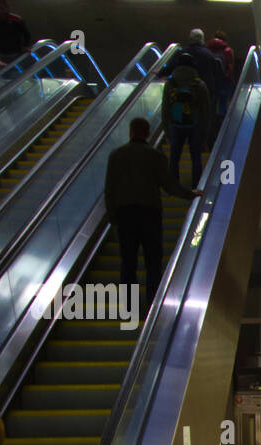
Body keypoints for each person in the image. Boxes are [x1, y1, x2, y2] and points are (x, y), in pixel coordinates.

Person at [104, 117, 203, 304]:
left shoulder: (116, 156)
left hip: (125, 215)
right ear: (148, 133)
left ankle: (128, 306)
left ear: (131, 132)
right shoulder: (155, 156)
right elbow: (169, 185)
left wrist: (113, 217)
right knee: (153, 262)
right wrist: (191, 194)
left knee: (128, 261)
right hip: (150, 214)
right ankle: (153, 305)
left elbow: (109, 189)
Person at [160, 54, 211, 188]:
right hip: (195, 125)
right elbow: (206, 111)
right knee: (195, 156)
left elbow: (165, 108)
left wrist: (167, 129)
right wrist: (204, 134)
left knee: (174, 157)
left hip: (176, 124)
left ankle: (174, 184)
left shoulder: (170, 84)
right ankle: (196, 185)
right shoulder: (199, 84)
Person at [160, 29, 222, 114]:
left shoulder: (183, 53)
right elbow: (216, 74)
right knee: (203, 114)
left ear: (191, 39)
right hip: (205, 91)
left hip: (184, 92)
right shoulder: (209, 55)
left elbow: (170, 67)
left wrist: (159, 73)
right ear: (202, 39)